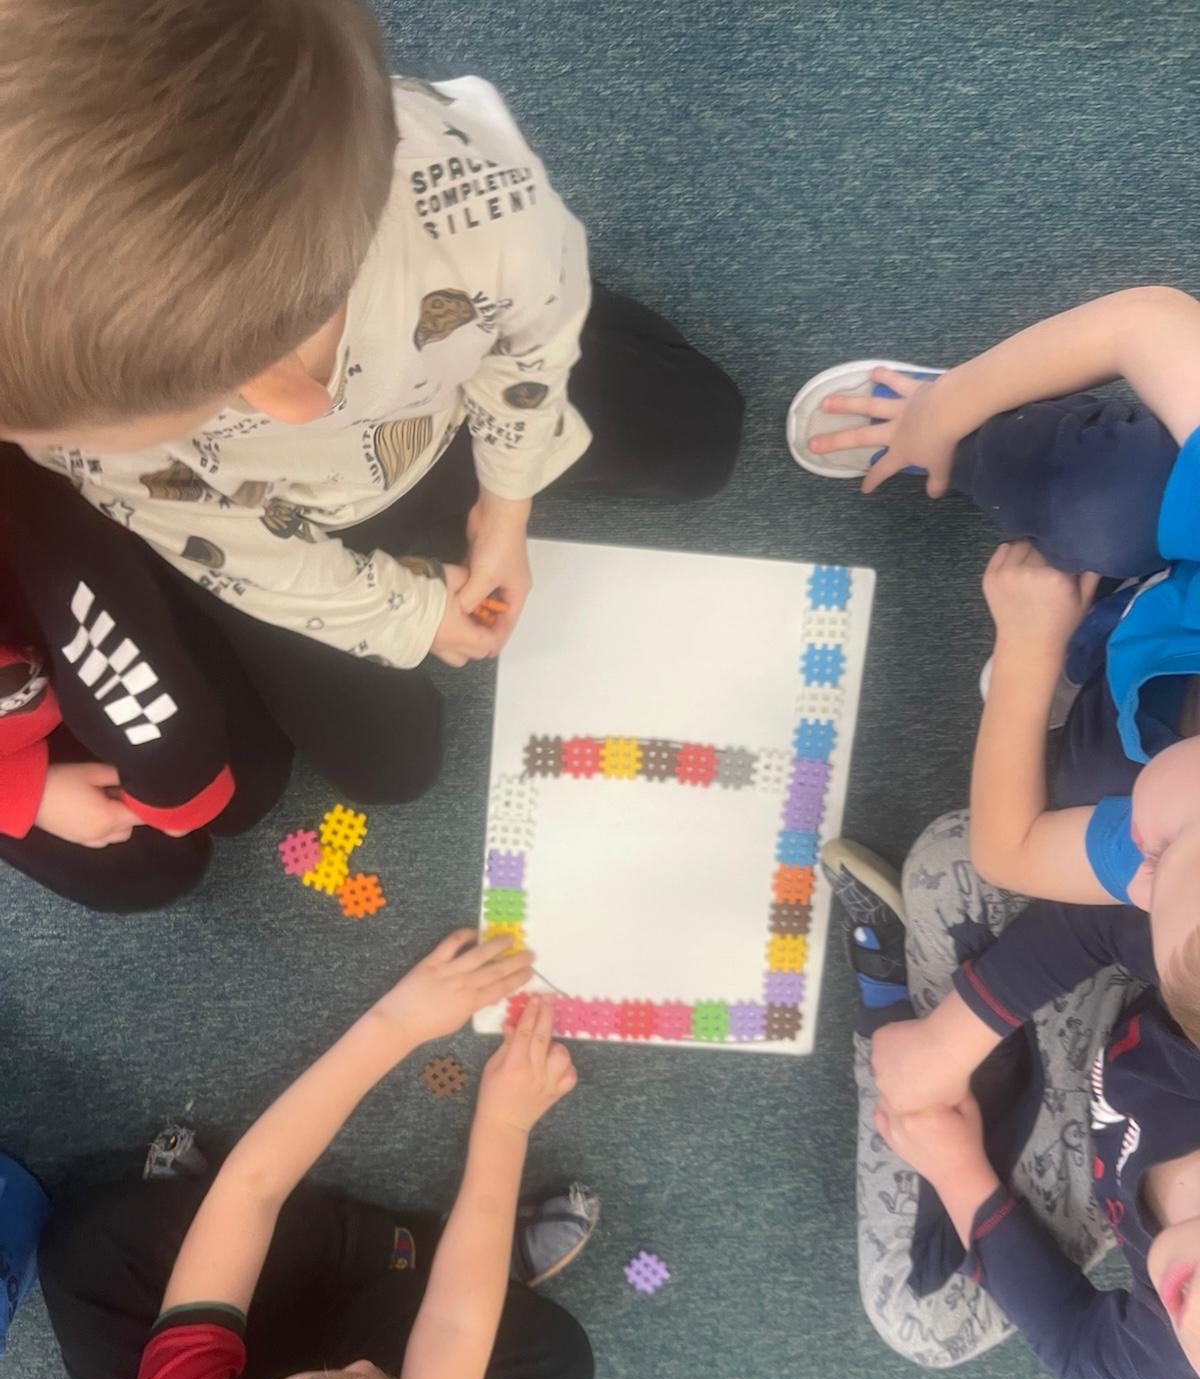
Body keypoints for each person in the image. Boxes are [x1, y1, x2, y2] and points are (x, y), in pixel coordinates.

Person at [0, 0, 744, 806]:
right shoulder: (78, 407)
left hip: (449, 404)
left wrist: (507, 508)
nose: (52, 454)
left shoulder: (479, 195)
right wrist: (409, 614)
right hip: (283, 515)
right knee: (390, 770)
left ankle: (538, 315)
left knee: (704, 435)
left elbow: (531, 354)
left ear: (275, 391)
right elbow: (234, 546)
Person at [38, 938, 596, 1379]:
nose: (362, 1369)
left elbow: (251, 1192)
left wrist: (397, 1022)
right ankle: (413, 1254)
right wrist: (505, 1127)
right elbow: (455, 1328)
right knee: (554, 1361)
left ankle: (392, 1255)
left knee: (92, 1243)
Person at [791, 286, 1200, 1040]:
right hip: (1177, 506)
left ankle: (1100, 630)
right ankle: (966, 440)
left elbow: (1008, 854)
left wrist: (1026, 653)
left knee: (1091, 786)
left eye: (1148, 886)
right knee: (1107, 498)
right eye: (1163, 856)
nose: (1135, 868)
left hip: (1164, 646)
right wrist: (946, 409)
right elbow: (1147, 322)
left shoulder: (1169, 865)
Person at [822, 824, 1200, 1379]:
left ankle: (895, 1006)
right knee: (951, 866)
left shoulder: (1184, 1362)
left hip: (1096, 1165)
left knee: (923, 1318)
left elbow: (1075, 1344)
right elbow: (1120, 921)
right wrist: (952, 1040)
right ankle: (929, 1038)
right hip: (1127, 989)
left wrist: (959, 1173)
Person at [0, 447, 291, 911]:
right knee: (148, 870)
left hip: (50, 594)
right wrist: (24, 794)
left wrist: (177, 773)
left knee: (250, 782)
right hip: (18, 741)